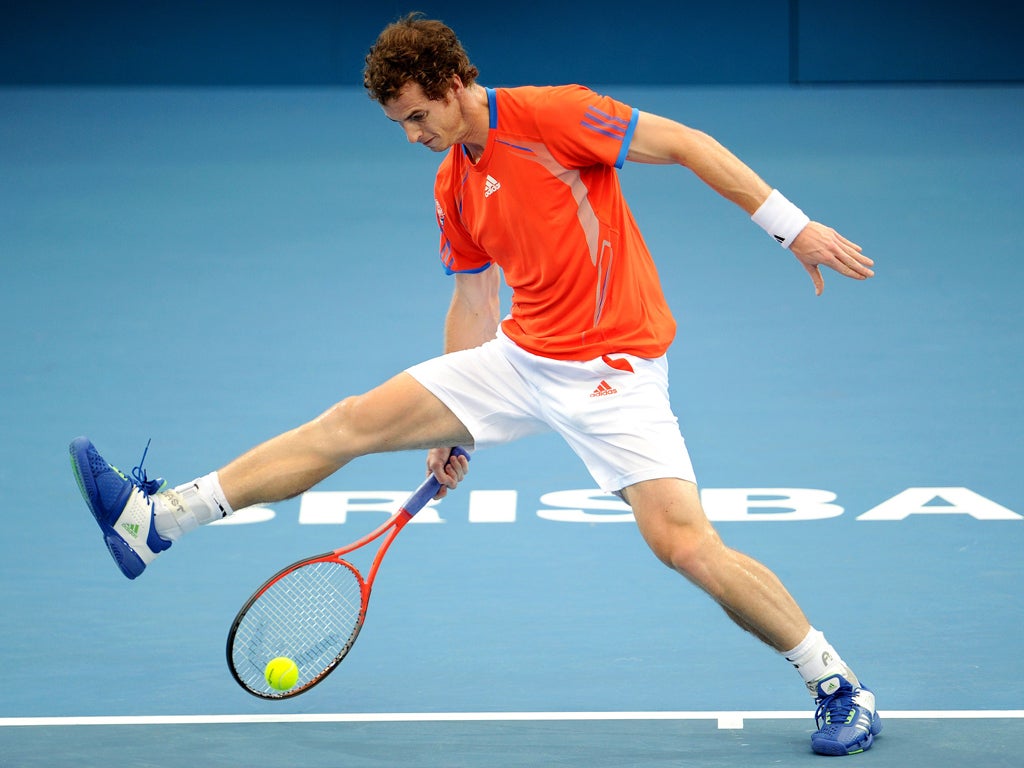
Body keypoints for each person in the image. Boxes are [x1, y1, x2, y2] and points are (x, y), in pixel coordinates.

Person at [69, 12, 881, 757]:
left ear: (456, 84)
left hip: (613, 370)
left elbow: (690, 144)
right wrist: (452, 430)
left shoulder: (557, 117)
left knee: (682, 545)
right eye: (400, 125)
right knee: (351, 422)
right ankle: (161, 521)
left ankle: (836, 683)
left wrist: (793, 228)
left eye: (420, 115)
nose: (414, 135)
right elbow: (473, 299)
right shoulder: (452, 179)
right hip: (521, 359)